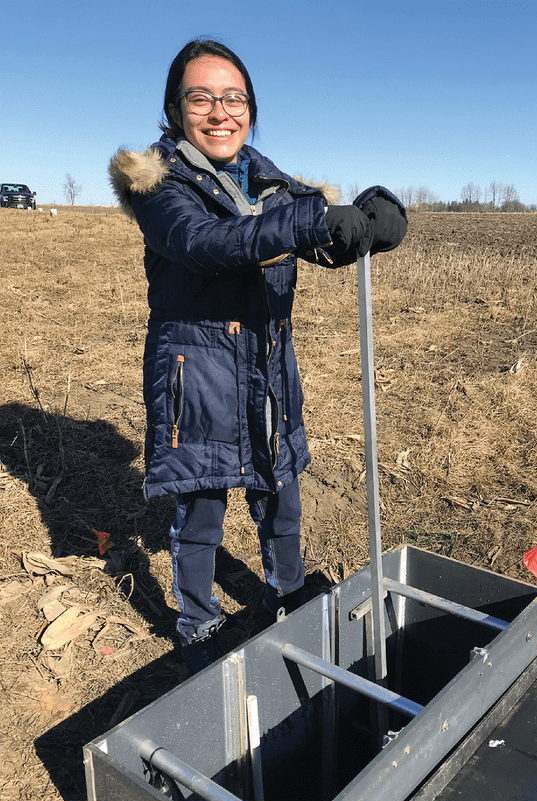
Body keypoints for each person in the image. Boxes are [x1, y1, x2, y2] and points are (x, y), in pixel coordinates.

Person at [108, 38, 407, 671]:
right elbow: (205, 241)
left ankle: (290, 590)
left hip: (267, 368)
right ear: (174, 108)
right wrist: (311, 224)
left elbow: (326, 235)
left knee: (281, 490)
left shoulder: (272, 183)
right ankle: (198, 619)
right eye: (202, 97)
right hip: (197, 372)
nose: (220, 111)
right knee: (202, 504)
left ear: (250, 109)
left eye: (234, 98)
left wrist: (376, 215)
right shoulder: (159, 184)